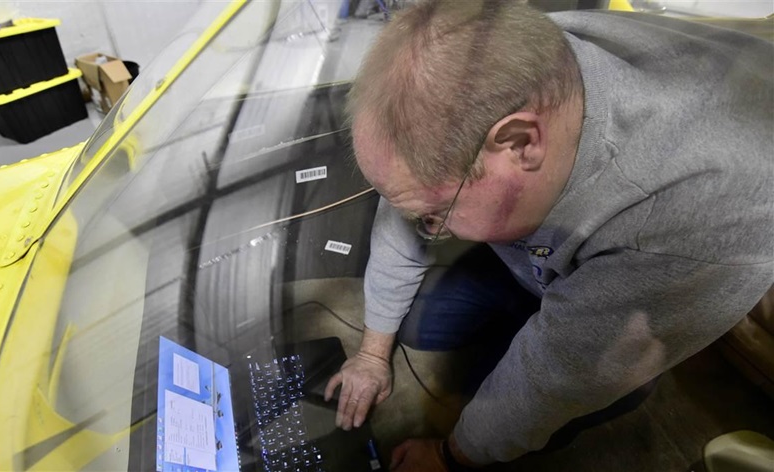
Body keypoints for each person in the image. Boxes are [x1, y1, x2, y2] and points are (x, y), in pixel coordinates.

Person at [321, 0, 774, 470]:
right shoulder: (500, 62)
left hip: (654, 271)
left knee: (533, 406)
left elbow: (560, 378)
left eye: (436, 214)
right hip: (556, 260)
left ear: (520, 143)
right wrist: (373, 354)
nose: (427, 227)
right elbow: (407, 194)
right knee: (421, 325)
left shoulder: (696, 218)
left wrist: (449, 456)